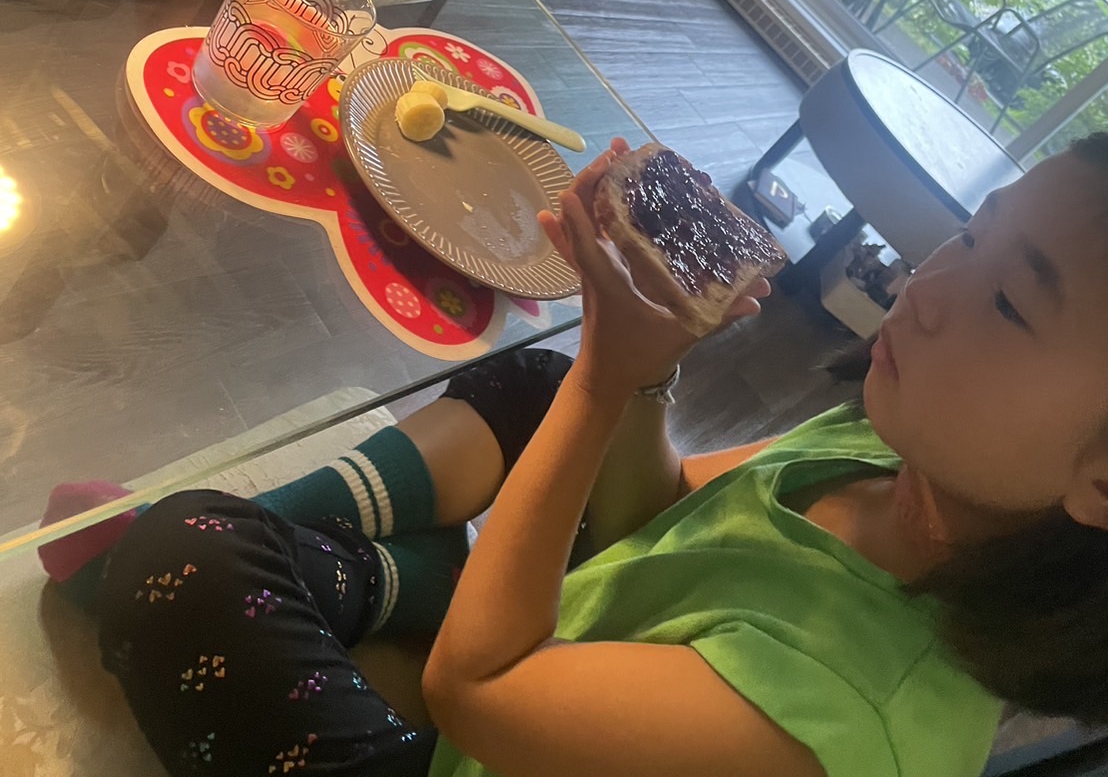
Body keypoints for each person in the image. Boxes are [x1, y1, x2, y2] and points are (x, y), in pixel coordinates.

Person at [41, 132, 1108, 773]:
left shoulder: (850, 720)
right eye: (973, 234)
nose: (928, 288)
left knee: (185, 560)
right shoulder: (895, 438)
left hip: (477, 716)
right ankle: (382, 570)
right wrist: (639, 370)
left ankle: (281, 558)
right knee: (542, 388)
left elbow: (477, 688)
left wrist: (608, 379)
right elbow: (654, 525)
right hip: (558, 651)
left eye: (1012, 304)